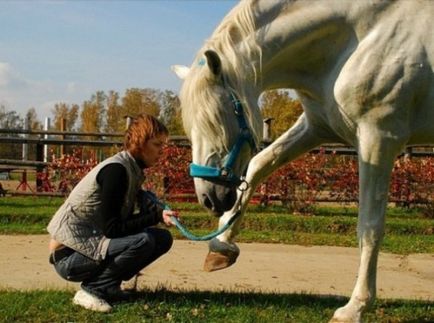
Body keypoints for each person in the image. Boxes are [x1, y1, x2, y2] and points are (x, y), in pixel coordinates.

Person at [47, 114, 180, 313]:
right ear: (140, 143)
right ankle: (92, 291)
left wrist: (153, 212)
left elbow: (117, 226)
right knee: (143, 240)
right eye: (157, 144)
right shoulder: (116, 171)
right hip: (69, 257)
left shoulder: (130, 169)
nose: (162, 151)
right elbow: (114, 229)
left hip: (90, 246)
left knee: (162, 238)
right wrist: (155, 217)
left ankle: (109, 286)